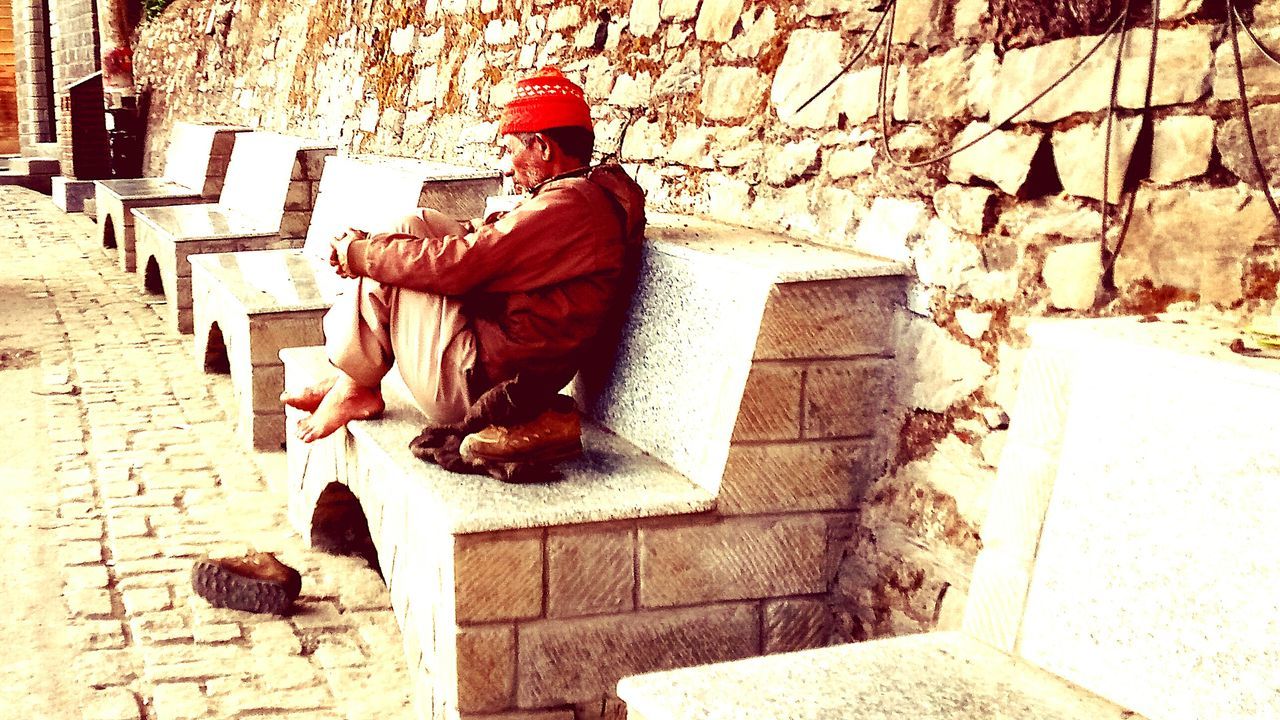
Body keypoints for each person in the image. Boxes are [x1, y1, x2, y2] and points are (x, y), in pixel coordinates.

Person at [281, 66, 646, 463]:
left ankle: (355, 385)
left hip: (476, 387)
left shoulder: (571, 207)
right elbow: (483, 241)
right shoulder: (571, 198)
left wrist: (361, 255)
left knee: (400, 268)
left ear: (542, 147)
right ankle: (355, 380)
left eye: (510, 150)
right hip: (486, 356)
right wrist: (374, 244)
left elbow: (462, 265)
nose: (506, 166)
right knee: (413, 225)